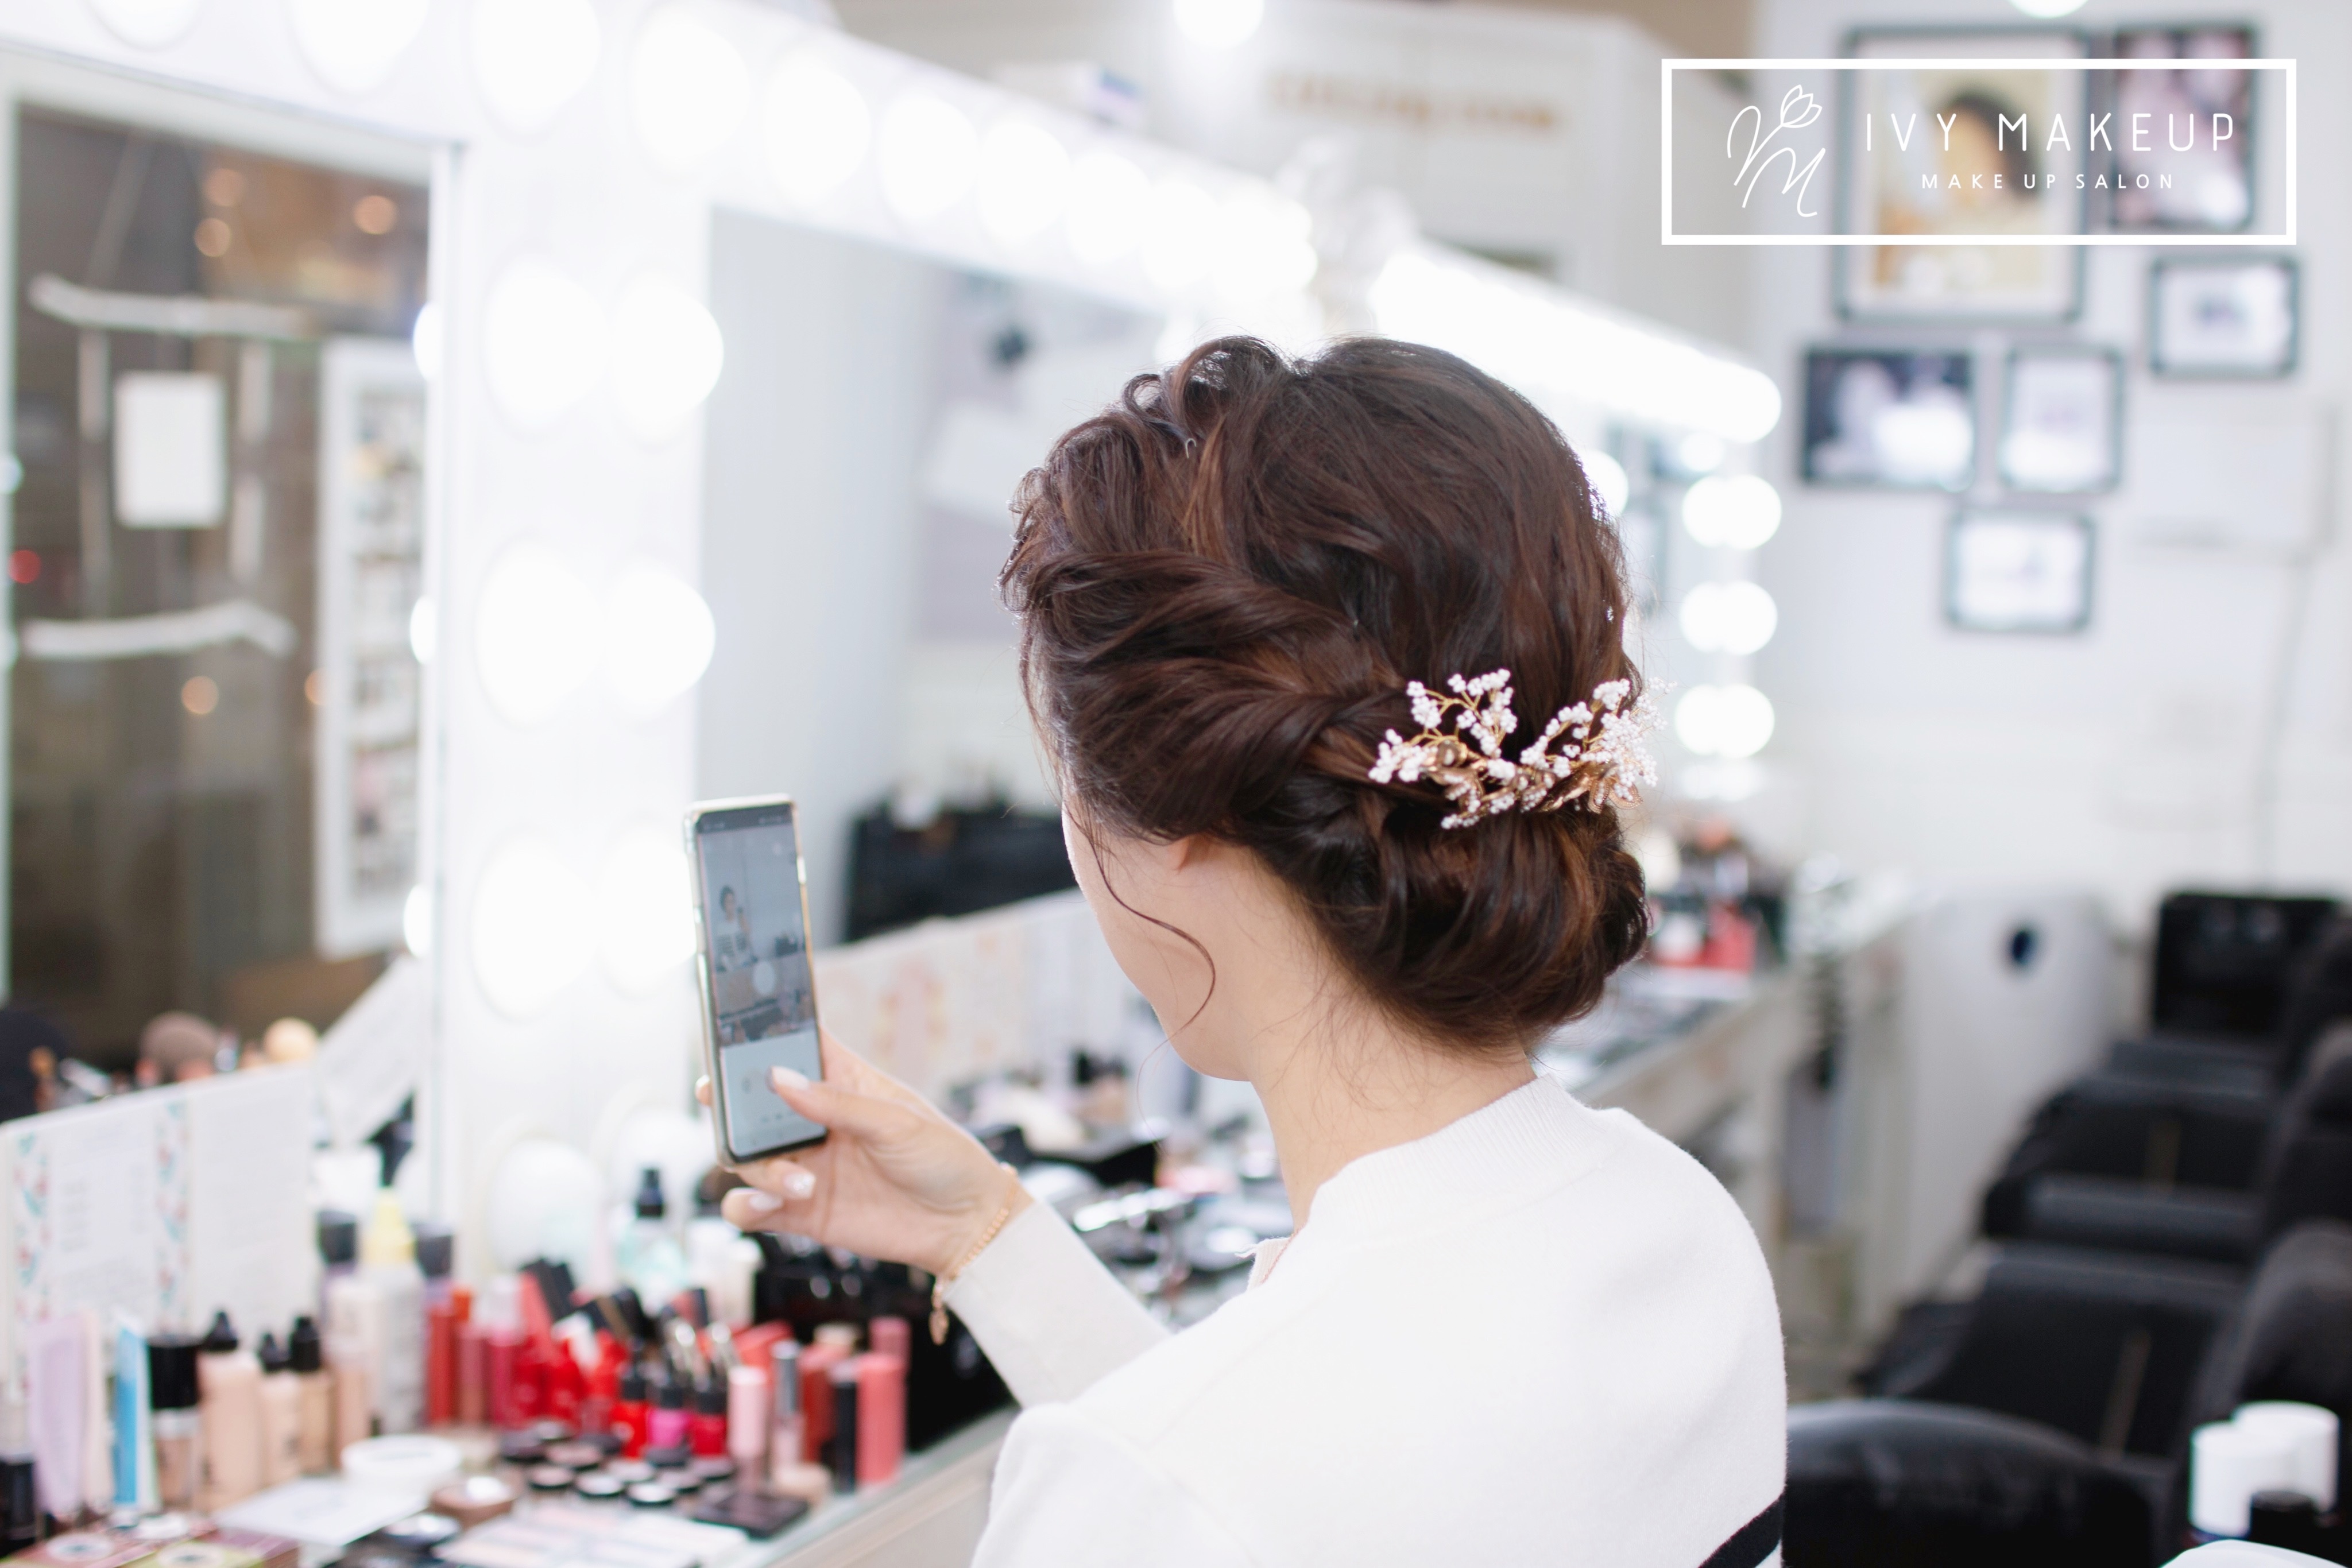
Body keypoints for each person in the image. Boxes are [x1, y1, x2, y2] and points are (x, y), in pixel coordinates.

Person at [706, 339, 1786, 1565]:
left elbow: (1216, 1491)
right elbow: (1263, 1489)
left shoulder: (1167, 1483)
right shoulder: (1682, 1228)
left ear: (1179, 826)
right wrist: (990, 1237)